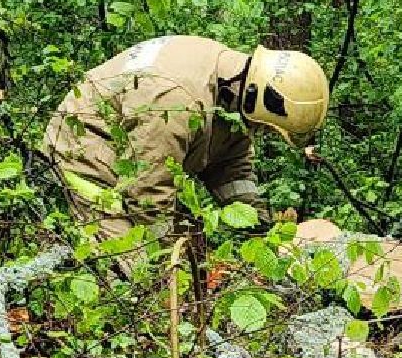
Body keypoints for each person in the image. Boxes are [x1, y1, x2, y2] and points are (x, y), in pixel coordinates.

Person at [43, 36, 329, 244]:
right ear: (257, 101)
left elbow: (231, 164)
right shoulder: (176, 100)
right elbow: (149, 193)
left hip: (137, 166)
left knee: (193, 248)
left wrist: (257, 221)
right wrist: (166, 256)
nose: (262, 134)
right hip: (87, 157)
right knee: (136, 269)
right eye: (265, 128)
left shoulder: (231, 85)